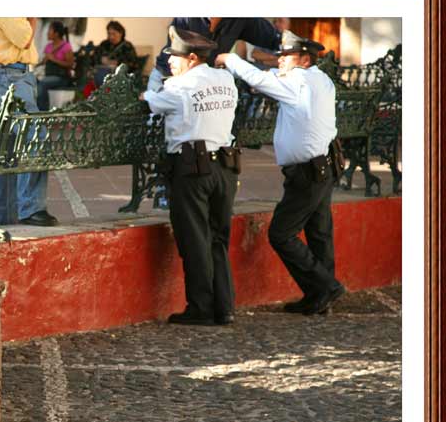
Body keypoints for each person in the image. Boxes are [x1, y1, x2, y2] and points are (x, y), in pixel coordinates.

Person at [216, 31, 345, 315]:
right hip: (323, 166)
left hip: (307, 172)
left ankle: (327, 286)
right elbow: (271, 79)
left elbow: (260, 79)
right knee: (319, 232)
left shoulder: (297, 81)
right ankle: (319, 297)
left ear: (305, 60)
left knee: (282, 234)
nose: (281, 60)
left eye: (287, 56)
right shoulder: (320, 78)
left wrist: (230, 59)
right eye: (281, 55)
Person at [141, 27, 240, 326]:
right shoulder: (226, 80)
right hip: (225, 167)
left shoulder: (178, 87)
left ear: (193, 58)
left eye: (175, 57)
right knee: (218, 238)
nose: (170, 62)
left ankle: (200, 308)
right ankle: (225, 307)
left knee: (194, 239)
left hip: (192, 169)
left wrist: (145, 93)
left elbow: (151, 102)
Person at [0, 17, 59, 227]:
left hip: (14, 75)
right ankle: (31, 208)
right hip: (10, 76)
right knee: (36, 137)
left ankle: (6, 214)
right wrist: (32, 17)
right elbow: (24, 38)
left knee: (9, 147)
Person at [146, 18, 282, 93]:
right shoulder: (187, 15)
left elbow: (276, 40)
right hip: (168, 78)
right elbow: (179, 60)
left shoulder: (240, 18)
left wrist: (289, 57)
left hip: (204, 86)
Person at [36, 21, 75, 111]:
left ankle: (43, 111)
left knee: (42, 84)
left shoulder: (66, 46)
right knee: (33, 81)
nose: (47, 33)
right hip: (48, 75)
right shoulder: (48, 46)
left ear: (56, 33)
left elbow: (70, 64)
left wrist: (54, 59)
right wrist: (43, 61)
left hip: (61, 77)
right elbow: (44, 62)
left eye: (50, 30)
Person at [93, 20, 140, 87]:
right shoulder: (104, 44)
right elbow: (94, 58)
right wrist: (101, 60)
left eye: (114, 34)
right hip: (103, 73)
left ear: (121, 33)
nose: (111, 37)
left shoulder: (127, 46)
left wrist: (116, 63)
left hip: (121, 77)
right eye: (109, 34)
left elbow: (133, 64)